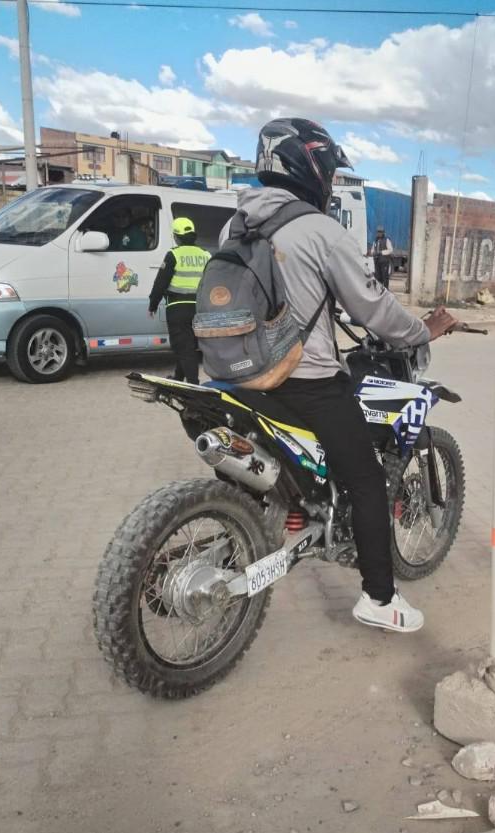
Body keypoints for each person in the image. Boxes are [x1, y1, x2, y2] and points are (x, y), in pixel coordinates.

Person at [231, 117, 456, 633]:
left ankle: (284, 513)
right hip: (302, 380)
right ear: (312, 167)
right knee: (368, 480)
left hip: (238, 374)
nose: (331, 180)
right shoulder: (319, 229)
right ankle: (379, 598)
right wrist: (420, 330)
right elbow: (373, 308)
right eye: (329, 169)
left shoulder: (237, 222)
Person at [148, 216, 210, 383]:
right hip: (201, 309)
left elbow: (160, 282)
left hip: (178, 307)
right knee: (186, 346)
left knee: (184, 348)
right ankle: (178, 377)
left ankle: (193, 386)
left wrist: (152, 304)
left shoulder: (174, 254)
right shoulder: (206, 255)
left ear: (176, 236)